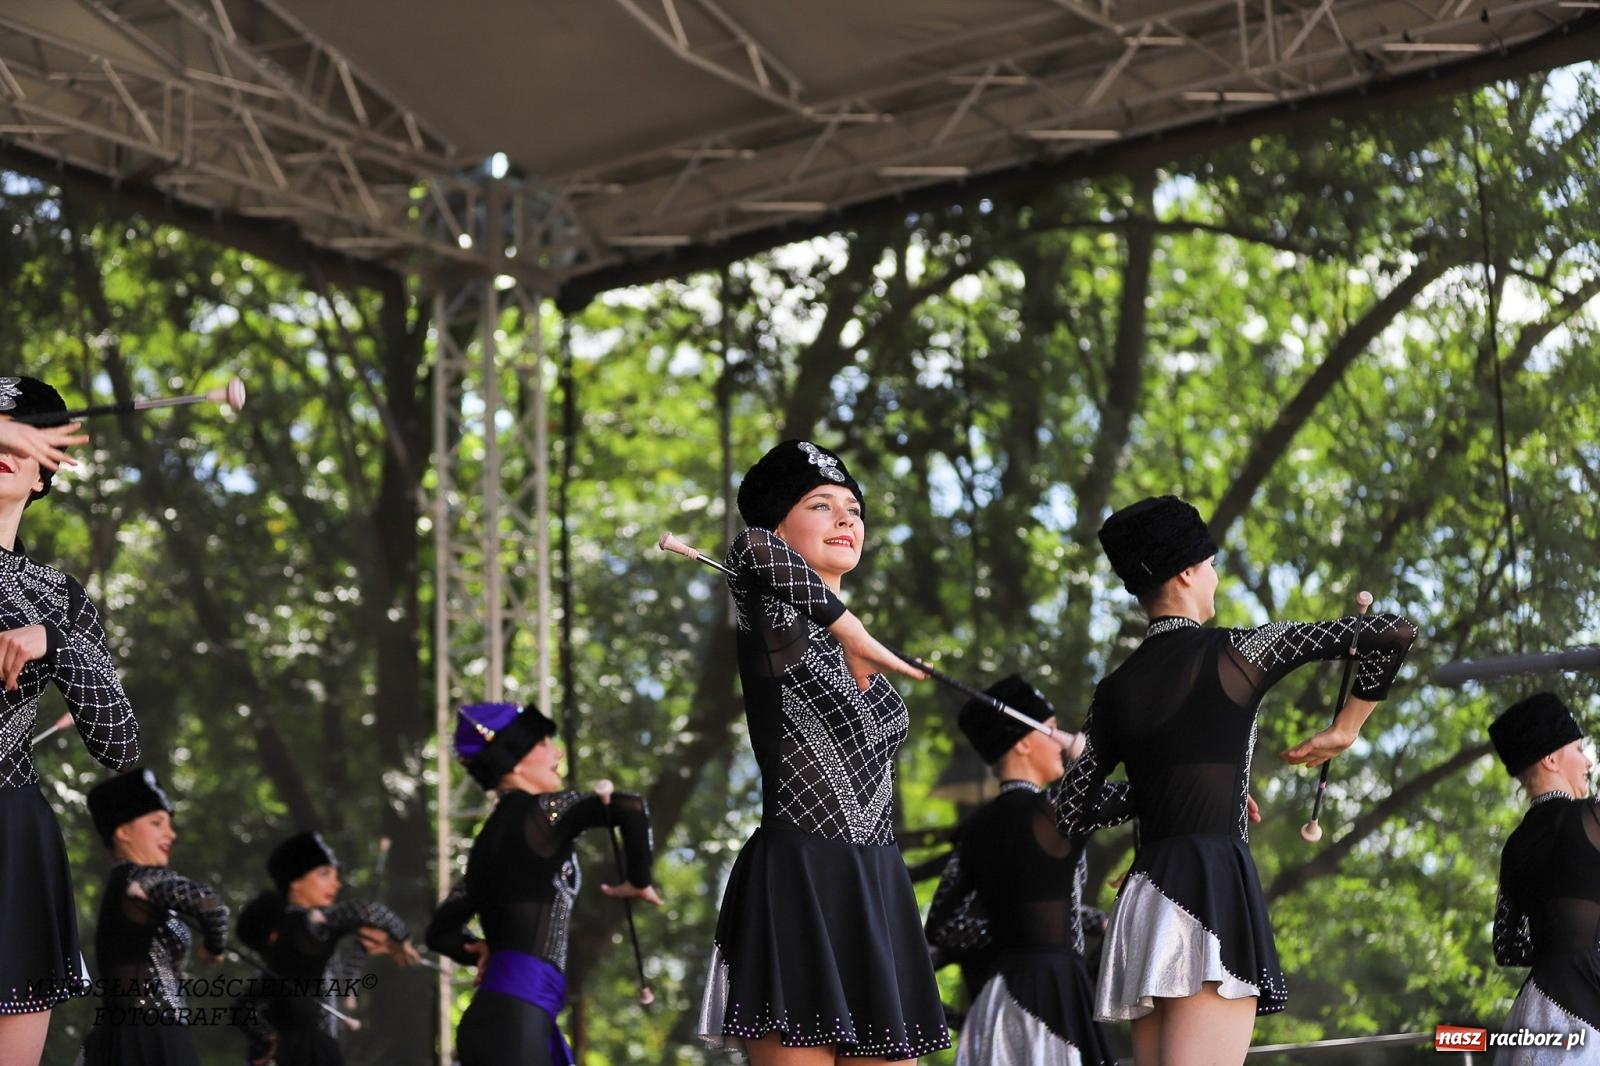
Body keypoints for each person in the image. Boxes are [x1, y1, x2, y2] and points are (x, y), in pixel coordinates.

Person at [1054, 495, 1417, 1066]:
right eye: (1213, 563)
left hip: (1146, 901)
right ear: (1188, 571)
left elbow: (1070, 810)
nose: (1217, 576)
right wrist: (1345, 728)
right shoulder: (1241, 650)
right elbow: (1395, 634)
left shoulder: (1114, 690)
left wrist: (1170, 794)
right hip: (1209, 889)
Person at [695, 439, 945, 1064]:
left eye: (854, 509)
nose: (846, 519)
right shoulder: (772, 615)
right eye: (821, 504)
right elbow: (749, 549)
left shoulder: (862, 655)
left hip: (879, 887)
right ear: (780, 523)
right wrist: (851, 628)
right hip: (800, 879)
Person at [0, 375, 140, 1066]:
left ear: (46, 468)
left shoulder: (56, 595)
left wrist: (57, 644)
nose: (6, 438)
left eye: (24, 434)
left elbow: (119, 743)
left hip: (11, 838)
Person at [427, 702, 660, 1065]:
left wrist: (481, 950)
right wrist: (639, 881)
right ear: (515, 761)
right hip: (517, 1021)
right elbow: (631, 808)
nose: (557, 752)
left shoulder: (485, 845)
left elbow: (440, 932)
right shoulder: (544, 811)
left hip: (500, 1019)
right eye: (543, 744)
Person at [927, 675, 1126, 1066]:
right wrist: (1089, 757)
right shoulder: (1056, 812)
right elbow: (1131, 798)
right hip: (1047, 996)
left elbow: (942, 924)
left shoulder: (976, 829)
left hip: (1001, 1002)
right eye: (1050, 730)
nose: (1060, 738)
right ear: (1022, 742)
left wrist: (1008, 932)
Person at [79, 769, 229, 1066]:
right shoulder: (143, 879)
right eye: (157, 823)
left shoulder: (124, 885)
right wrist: (213, 948)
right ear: (123, 832)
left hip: (122, 1038)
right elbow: (212, 905)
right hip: (152, 1039)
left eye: (170, 824)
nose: (170, 834)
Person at [237, 830, 419, 1065]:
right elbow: (362, 911)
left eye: (335, 875)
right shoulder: (302, 927)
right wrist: (401, 937)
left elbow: (242, 1008)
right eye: (324, 874)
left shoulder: (305, 936)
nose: (336, 883)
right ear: (295, 882)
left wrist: (267, 1042)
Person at [1489, 691, 1599, 1063]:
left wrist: (1558, 941)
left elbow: (1507, 947)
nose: (1587, 762)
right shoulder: (1590, 818)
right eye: (1579, 749)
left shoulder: (1516, 844)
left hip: (1532, 1016)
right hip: (1580, 1018)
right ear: (1551, 758)